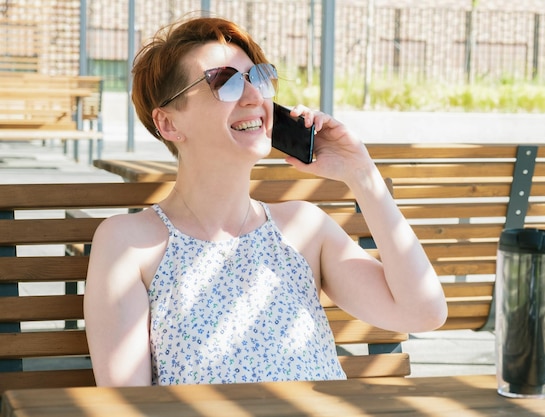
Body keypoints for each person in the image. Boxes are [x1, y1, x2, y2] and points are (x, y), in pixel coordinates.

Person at [84, 15, 447, 387]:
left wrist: (362, 175)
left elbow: (423, 313)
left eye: (257, 77)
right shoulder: (128, 243)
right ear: (169, 124)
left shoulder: (305, 228)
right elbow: (125, 404)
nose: (255, 96)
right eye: (224, 82)